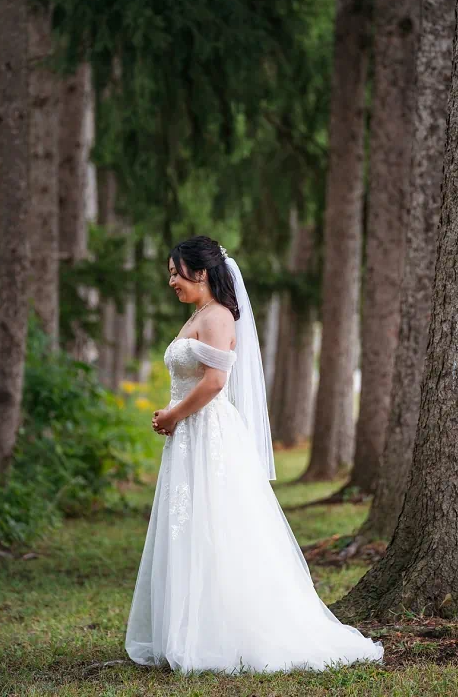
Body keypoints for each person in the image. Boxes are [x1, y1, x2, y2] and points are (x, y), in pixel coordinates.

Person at [125, 235, 383, 674]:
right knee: (189, 526)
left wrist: (173, 415)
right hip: (189, 437)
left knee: (218, 526)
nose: (171, 280)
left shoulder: (219, 316)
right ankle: (188, 629)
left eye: (175, 271)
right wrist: (174, 419)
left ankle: (223, 633)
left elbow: (214, 382)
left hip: (208, 434)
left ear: (201, 271)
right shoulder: (199, 316)